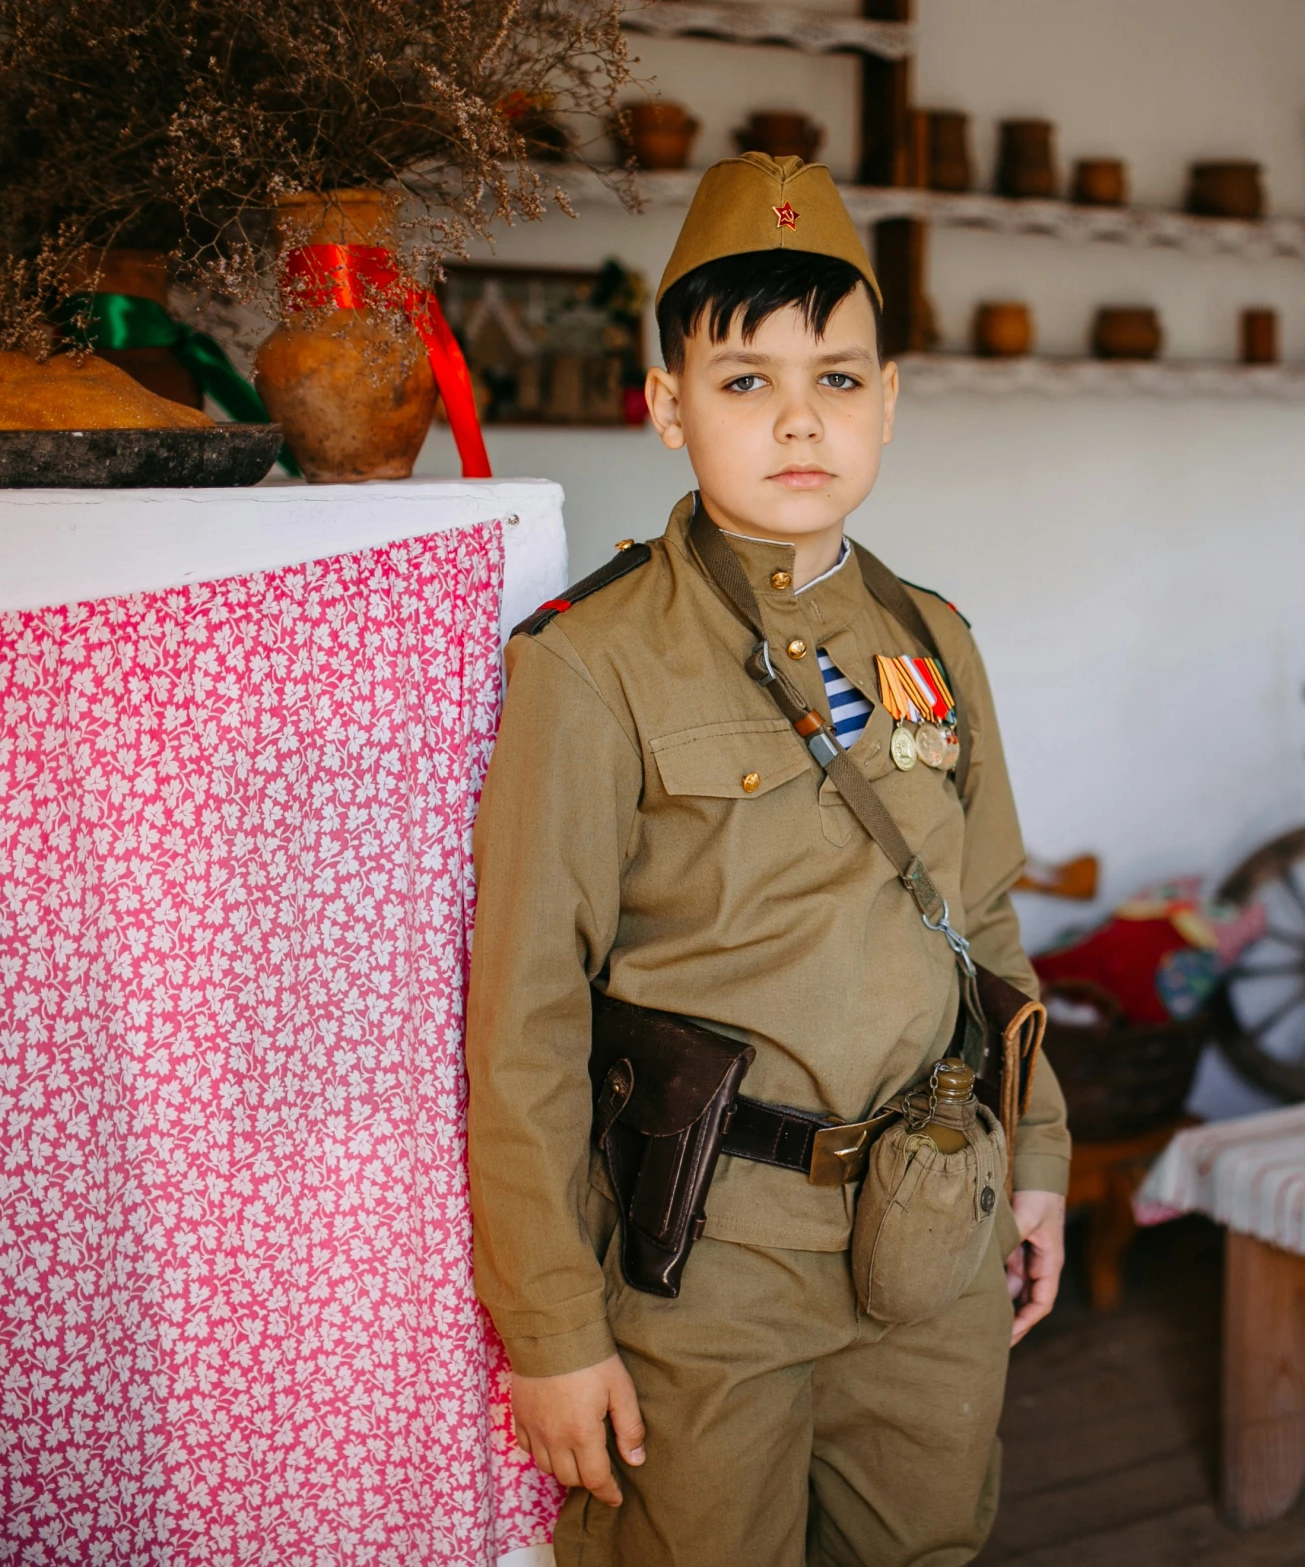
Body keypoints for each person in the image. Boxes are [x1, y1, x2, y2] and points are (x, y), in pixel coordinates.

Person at [464, 152, 1070, 1566]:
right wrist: (552, 1329)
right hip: (713, 1260)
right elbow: (525, 1021)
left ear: (888, 399)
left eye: (839, 379)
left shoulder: (934, 637)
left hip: (934, 1226)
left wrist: (1032, 1153)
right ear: (665, 404)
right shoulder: (589, 660)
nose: (800, 420)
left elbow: (983, 919)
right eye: (745, 382)